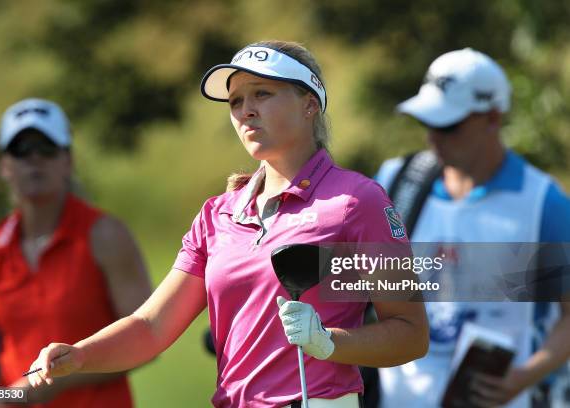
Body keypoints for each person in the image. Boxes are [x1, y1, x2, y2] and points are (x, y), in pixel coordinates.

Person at [24, 40, 429, 408]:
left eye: (262, 94)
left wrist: (328, 342)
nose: (245, 110)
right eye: (235, 101)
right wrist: (80, 355)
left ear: (309, 105)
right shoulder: (218, 213)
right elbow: (151, 327)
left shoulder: (357, 202)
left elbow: (410, 332)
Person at [376, 48, 570, 407]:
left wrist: (524, 376)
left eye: (449, 125)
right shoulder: (394, 182)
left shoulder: (544, 203)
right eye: (428, 122)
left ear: (493, 118)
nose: (434, 137)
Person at [0, 98, 152, 407]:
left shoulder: (106, 235)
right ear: (4, 165)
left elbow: (146, 339)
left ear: (68, 160)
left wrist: (56, 378)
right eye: (21, 150)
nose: (35, 159)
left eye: (47, 148)